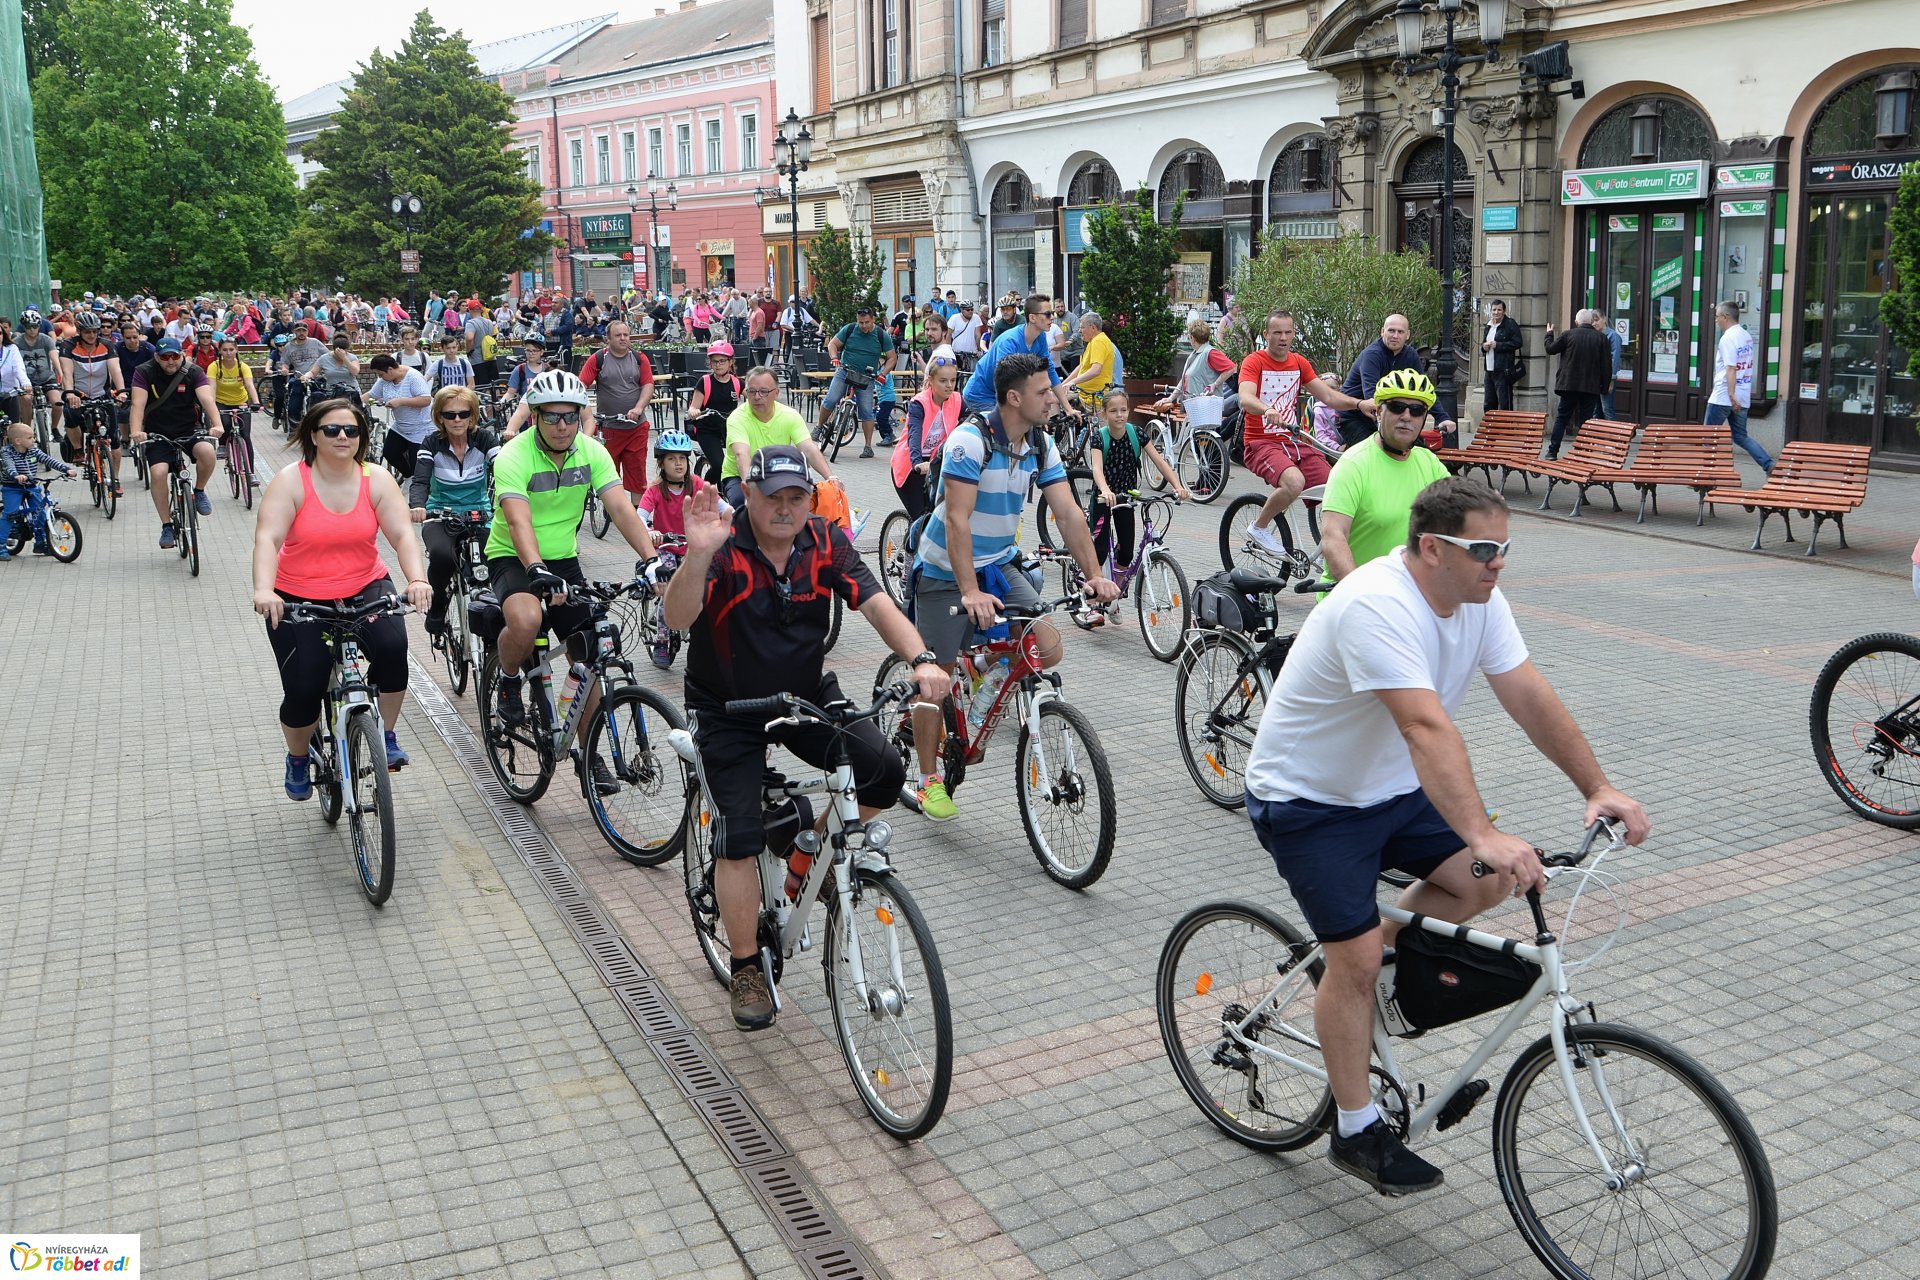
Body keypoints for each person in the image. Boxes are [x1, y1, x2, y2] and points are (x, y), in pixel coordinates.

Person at [1243, 474, 1649, 1195]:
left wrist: (1597, 786)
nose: (1499, 562)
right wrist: (1482, 831)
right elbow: (1424, 727)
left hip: (1392, 791)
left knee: (1481, 883)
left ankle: (1377, 973)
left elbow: (1528, 693)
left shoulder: (1478, 600)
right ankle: (1355, 1128)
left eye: (1506, 548)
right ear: (1432, 548)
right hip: (1310, 801)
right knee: (1354, 960)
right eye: (1485, 549)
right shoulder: (1376, 603)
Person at [660, 445, 948, 1030]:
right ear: (750, 495)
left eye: (797, 497)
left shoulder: (825, 541)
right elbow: (676, 619)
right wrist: (697, 555)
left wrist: (921, 658)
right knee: (738, 837)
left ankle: (804, 856)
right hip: (726, 707)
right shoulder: (723, 545)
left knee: (883, 771)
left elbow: (877, 605)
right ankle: (746, 965)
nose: (785, 508)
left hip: (803, 694)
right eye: (773, 497)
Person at [907, 352, 1119, 821]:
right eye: (1043, 392)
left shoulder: (1040, 443)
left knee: (1046, 646)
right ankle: (927, 780)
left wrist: (1095, 574)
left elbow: (1068, 514)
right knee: (935, 679)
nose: (1053, 399)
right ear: (1014, 398)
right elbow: (957, 520)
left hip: (999, 563)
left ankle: (982, 663)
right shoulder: (970, 441)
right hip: (946, 571)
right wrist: (969, 592)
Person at [483, 369, 660, 788]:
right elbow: (518, 521)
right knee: (527, 620)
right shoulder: (513, 456)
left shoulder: (591, 451)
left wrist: (652, 560)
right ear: (535, 416)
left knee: (590, 650)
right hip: (513, 556)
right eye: (552, 416)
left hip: (563, 559)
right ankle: (508, 678)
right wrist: (535, 569)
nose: (562, 425)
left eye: (570, 416)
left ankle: (588, 754)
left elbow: (621, 509)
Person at [253, 397, 434, 793]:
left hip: (364, 585)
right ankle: (298, 757)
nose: (342, 437)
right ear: (314, 436)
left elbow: (403, 534)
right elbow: (268, 538)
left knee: (392, 649)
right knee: (305, 685)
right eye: (331, 429)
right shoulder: (291, 480)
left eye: (351, 430)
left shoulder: (376, 479)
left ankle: (385, 734)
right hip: (299, 595)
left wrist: (417, 579)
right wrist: (264, 590)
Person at [1236, 310, 1375, 561]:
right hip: (1260, 443)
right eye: (1277, 332)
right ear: (1266, 334)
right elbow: (1245, 398)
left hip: (1292, 442)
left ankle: (1329, 548)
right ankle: (1259, 527)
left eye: (1288, 332)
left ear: (1294, 334)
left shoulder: (1299, 362)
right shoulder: (1254, 362)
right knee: (1294, 482)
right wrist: (1266, 409)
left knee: (1337, 486)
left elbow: (1329, 396)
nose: (1283, 338)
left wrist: (1359, 404)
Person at [1320, 368, 1451, 582]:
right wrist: (1359, 593)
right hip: (1357, 592)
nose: (1406, 416)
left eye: (1416, 410)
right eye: (1397, 407)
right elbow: (1333, 537)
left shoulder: (1429, 462)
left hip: (1409, 593)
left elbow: (1460, 511)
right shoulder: (1353, 464)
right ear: (1379, 412)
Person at [1083, 388, 1188, 623]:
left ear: (1128, 411)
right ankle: (1092, 603)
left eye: (1123, 410)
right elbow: (1097, 469)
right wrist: (1105, 490)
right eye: (1113, 411)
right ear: (1104, 414)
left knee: (1127, 552)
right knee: (1099, 551)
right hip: (1104, 499)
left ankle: (1114, 597)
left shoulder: (1137, 434)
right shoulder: (1099, 437)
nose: (1119, 415)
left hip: (1127, 499)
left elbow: (1160, 462)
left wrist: (1178, 486)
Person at [409, 384, 500, 636]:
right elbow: (420, 480)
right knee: (442, 556)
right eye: (450, 414)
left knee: (495, 556)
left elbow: (503, 468)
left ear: (473, 416)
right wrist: (417, 505)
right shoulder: (431, 443)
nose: (457, 420)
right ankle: (438, 604)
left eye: (464, 414)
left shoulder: (485, 439)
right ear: (440, 417)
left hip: (480, 513)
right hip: (441, 514)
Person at [128, 337, 224, 547]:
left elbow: (207, 399)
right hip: (157, 433)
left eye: (175, 356)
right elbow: (137, 404)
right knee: (158, 473)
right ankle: (167, 525)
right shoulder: (144, 372)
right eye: (165, 357)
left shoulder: (193, 372)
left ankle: (199, 491)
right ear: (156, 357)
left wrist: (217, 424)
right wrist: (136, 431)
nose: (170, 361)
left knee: (208, 452)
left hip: (188, 428)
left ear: (182, 355)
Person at [720, 367, 841, 507]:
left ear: (776, 393)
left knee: (803, 501)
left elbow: (808, 449)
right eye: (751, 391)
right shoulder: (737, 418)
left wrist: (830, 477)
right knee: (741, 502)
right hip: (738, 475)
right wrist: (750, 489)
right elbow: (741, 454)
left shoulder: (789, 415)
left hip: (776, 472)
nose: (757, 397)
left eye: (763, 391)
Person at [1338, 315, 1456, 449]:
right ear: (1382, 331)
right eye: (1391, 331)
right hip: (1354, 416)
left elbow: (1424, 390)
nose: (1395, 335)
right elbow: (1372, 395)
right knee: (1374, 450)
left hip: (1388, 414)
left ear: (1407, 335)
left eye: (1400, 332)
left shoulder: (1410, 355)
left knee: (1417, 449)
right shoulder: (1372, 354)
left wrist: (1443, 418)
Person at [578, 320, 656, 497]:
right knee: (608, 476)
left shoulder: (639, 358)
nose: (623, 338)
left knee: (638, 477)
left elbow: (648, 385)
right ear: (608, 338)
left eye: (626, 335)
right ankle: (613, 507)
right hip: (609, 429)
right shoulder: (598, 359)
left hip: (636, 428)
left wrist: (638, 408)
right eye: (618, 335)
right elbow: (580, 386)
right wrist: (584, 412)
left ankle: (637, 511)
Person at [960, 294, 1069, 415]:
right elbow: (1003, 380)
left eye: (1052, 313)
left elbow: (1050, 370)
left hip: (1003, 391)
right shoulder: (1010, 341)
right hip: (981, 394)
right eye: (1048, 314)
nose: (1052, 317)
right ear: (1032, 318)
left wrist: (1068, 409)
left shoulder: (1040, 337)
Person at [892, 348, 962, 521]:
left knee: (943, 514)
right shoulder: (919, 403)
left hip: (936, 463)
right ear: (930, 380)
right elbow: (914, 435)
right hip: (912, 464)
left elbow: (972, 422)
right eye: (943, 381)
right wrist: (917, 463)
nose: (949, 385)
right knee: (922, 518)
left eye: (953, 380)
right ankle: (915, 538)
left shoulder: (957, 400)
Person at [822, 304, 898, 459]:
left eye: (866, 322)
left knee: (867, 412)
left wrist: (883, 374)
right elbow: (832, 344)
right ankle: (818, 428)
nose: (863, 326)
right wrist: (834, 357)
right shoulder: (850, 329)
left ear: (873, 320)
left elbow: (892, 358)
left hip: (867, 377)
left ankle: (868, 447)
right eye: (860, 322)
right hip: (845, 371)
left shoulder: (881, 334)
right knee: (831, 399)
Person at [1, 417, 80, 558]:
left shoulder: (33, 450)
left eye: (33, 437)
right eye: (30, 438)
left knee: (41, 514)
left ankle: (41, 543)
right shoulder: (7, 451)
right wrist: (16, 475)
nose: (34, 440)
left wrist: (66, 469)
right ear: (18, 441)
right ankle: (1, 546)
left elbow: (48, 459)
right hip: (13, 487)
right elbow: (8, 465)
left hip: (31, 485)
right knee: (10, 514)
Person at [1706, 301, 1770, 472]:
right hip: (1743, 394)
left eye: (1717, 317)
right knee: (1741, 436)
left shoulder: (1727, 338)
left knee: (1707, 437)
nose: (1716, 320)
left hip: (1723, 396)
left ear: (1725, 317)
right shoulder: (1745, 336)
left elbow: (1731, 368)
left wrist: (1731, 394)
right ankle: (1768, 464)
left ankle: (1706, 474)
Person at [57, 311, 125, 468]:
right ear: (79, 331)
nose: (92, 335)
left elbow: (116, 370)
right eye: (87, 332)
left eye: (95, 331)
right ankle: (78, 450)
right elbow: (67, 373)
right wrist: (70, 393)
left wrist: (121, 391)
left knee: (114, 438)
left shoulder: (107, 345)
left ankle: (115, 478)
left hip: (102, 393)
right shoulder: (68, 346)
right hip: (78, 393)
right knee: (70, 414)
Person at [1542, 309, 1612, 460]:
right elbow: (1607, 366)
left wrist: (1549, 334)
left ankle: (1552, 451)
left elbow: (1550, 349)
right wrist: (1604, 387)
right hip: (1590, 387)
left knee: (1562, 418)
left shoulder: (1568, 335)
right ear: (1591, 321)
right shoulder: (1601, 338)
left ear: (1576, 322)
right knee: (1586, 421)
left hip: (1569, 385)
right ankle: (1584, 453)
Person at [365, 353, 435, 478]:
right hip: (400, 427)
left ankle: (417, 482)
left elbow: (426, 400)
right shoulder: (385, 381)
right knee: (390, 453)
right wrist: (350, 404)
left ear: (390, 369)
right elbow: (370, 395)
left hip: (420, 429)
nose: (380, 377)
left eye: (381, 374)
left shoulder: (413, 377)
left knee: (417, 465)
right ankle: (408, 477)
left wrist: (401, 401)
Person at [685, 341, 741, 481]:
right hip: (707, 431)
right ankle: (704, 489)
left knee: (741, 461)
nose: (718, 364)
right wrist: (694, 412)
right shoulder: (705, 382)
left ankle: (727, 490)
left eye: (722, 361)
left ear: (730, 362)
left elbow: (753, 398)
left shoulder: (736, 382)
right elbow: (693, 407)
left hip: (729, 429)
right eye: (714, 361)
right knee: (720, 466)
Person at [16, 313, 62, 450]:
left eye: (35, 326)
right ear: (23, 327)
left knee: (57, 402)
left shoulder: (46, 339)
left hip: (47, 378)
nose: (32, 330)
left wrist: (60, 373)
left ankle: (54, 428)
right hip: (27, 381)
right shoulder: (17, 342)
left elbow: (54, 357)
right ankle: (27, 430)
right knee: (26, 400)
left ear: (39, 326)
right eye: (28, 327)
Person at [1058, 312, 1119, 413]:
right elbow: (1081, 367)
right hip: (1085, 393)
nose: (1079, 331)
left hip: (1094, 396)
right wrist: (1064, 384)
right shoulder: (1093, 341)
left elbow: (1096, 370)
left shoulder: (1098, 341)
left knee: (1053, 397)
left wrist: (1073, 382)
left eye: (1082, 327)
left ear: (1093, 328)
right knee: (1056, 394)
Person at [205, 337, 258, 452]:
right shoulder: (214, 366)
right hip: (221, 402)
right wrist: (212, 405)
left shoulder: (243, 367)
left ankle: (250, 464)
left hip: (241, 402)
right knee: (226, 424)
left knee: (245, 435)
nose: (228, 353)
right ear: (220, 351)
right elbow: (212, 387)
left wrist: (256, 402)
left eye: (231, 349)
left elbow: (249, 385)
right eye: (225, 350)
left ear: (236, 350)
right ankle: (222, 446)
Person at [1480, 300, 1524, 415]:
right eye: (1494, 310)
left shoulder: (1510, 324)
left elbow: (1518, 343)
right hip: (1489, 370)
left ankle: (1507, 426)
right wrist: (1484, 347)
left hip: (1503, 371)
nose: (1496, 312)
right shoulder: (1488, 325)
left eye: (1499, 310)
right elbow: (1483, 344)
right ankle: (1491, 425)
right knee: (1488, 404)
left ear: (1504, 311)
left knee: (1504, 404)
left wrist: (1498, 345)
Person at [280, 321, 329, 424]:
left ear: (307, 332)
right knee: (294, 399)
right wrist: (284, 369)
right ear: (294, 332)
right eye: (298, 331)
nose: (301, 333)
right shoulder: (289, 346)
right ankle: (294, 424)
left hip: (315, 377)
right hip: (299, 377)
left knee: (322, 397)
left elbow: (328, 356)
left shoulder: (315, 342)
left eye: (304, 331)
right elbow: (284, 362)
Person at [302, 334, 362, 407]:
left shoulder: (352, 358)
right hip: (332, 392)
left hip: (351, 392)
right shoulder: (324, 358)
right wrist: (306, 376)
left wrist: (344, 358)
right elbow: (313, 372)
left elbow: (355, 372)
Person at [1593, 310, 1624, 421]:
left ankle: (1613, 431)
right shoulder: (1595, 335)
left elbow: (1614, 359)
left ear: (1604, 319)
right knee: (1596, 409)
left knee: (1607, 408)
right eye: (1592, 321)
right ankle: (1596, 431)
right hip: (1595, 378)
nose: (1594, 323)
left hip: (1607, 378)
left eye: (1597, 320)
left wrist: (1611, 379)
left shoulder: (1613, 336)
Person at [463, 301, 499, 389]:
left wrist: (468, 350)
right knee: (494, 385)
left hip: (477, 359)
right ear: (481, 309)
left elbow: (469, 338)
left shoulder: (471, 323)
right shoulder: (489, 322)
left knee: (482, 387)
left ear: (469, 310)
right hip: (491, 356)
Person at [948, 300, 983, 372]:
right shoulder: (954, 318)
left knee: (972, 373)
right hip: (957, 352)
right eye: (968, 310)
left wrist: (979, 349)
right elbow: (948, 334)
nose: (970, 311)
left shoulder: (976, 318)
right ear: (962, 310)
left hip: (972, 353)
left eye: (972, 309)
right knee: (956, 373)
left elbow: (977, 335)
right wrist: (948, 349)